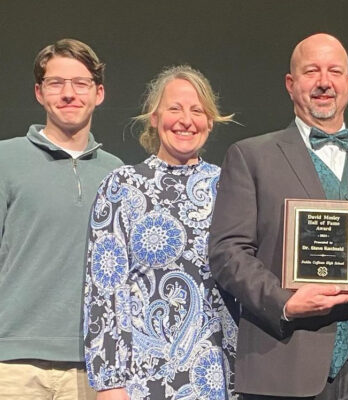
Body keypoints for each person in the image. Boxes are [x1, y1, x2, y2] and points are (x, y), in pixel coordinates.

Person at [209, 33, 348, 400]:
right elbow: (226, 252)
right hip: (286, 363)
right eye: (311, 71)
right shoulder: (251, 156)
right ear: (290, 83)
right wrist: (284, 301)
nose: (324, 82)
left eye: (334, 71)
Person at [83, 65, 238, 399]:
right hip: (145, 380)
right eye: (175, 108)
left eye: (197, 110)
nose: (186, 120)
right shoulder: (122, 187)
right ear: (154, 117)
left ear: (210, 121)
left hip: (221, 377)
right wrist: (110, 383)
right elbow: (105, 292)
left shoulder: (231, 187)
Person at [0, 38, 122, 399]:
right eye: (56, 83)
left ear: (98, 93)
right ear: (39, 93)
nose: (69, 93)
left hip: (92, 363)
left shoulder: (117, 174)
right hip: (13, 364)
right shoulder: (6, 160)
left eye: (80, 83)